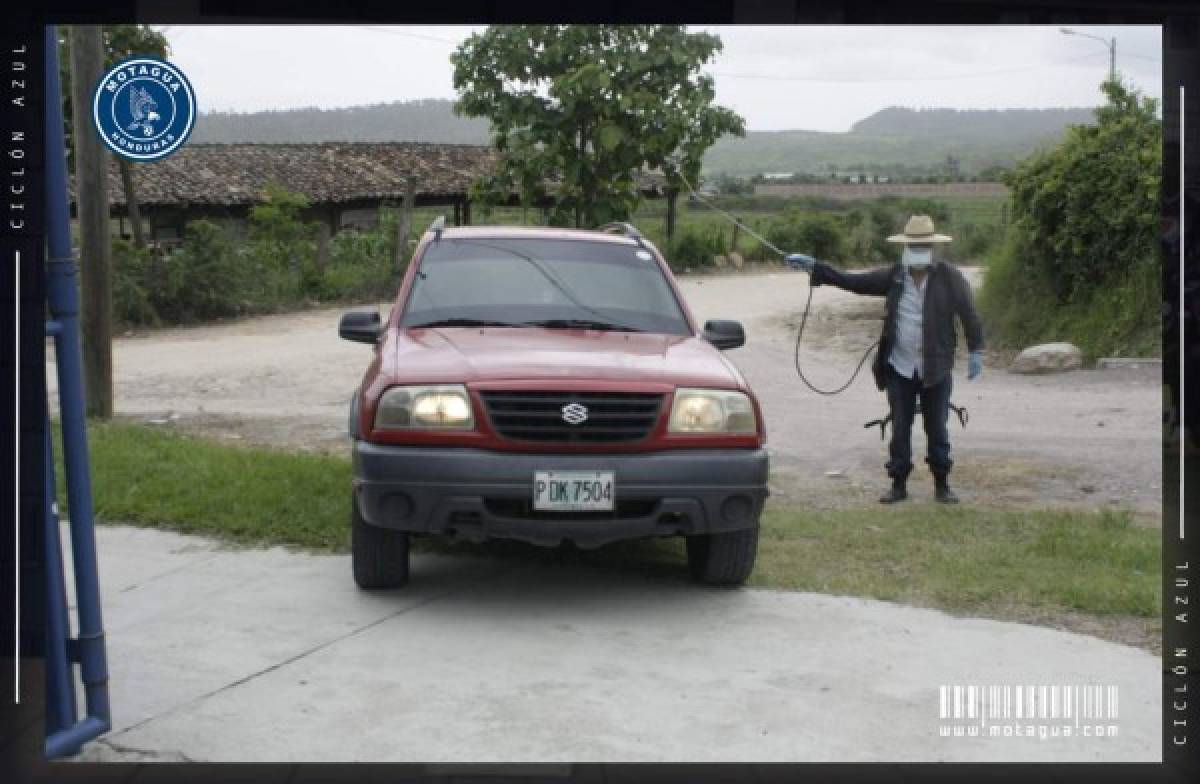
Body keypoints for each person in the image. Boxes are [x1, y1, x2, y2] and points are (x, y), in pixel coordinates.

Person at [786, 214, 984, 504]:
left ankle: (942, 484)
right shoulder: (893, 277)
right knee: (900, 427)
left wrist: (976, 349)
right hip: (899, 366)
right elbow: (853, 281)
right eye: (913, 245)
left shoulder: (951, 279)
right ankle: (898, 484)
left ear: (932, 247)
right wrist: (818, 268)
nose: (918, 249)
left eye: (923, 244)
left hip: (936, 367)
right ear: (904, 247)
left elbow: (969, 315)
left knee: (937, 427)